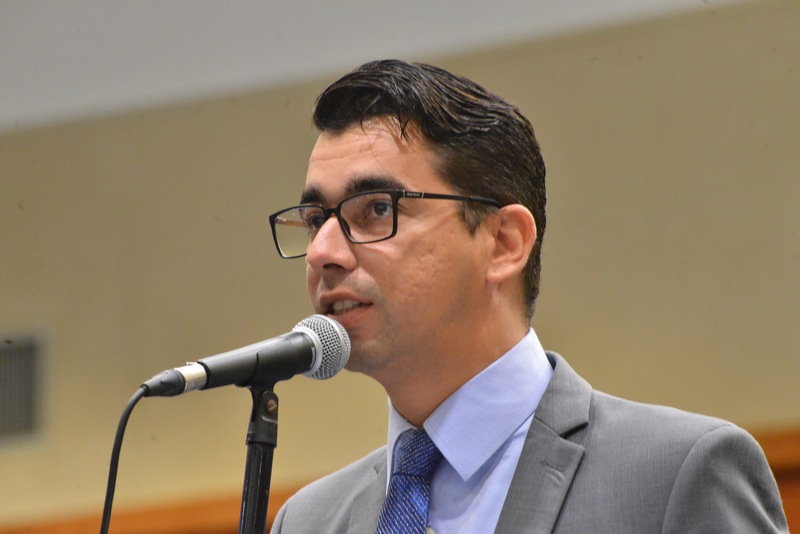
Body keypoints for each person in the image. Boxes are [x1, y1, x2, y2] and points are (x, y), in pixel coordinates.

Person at [267, 59, 787, 533]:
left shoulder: (677, 475)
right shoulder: (308, 522)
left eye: (377, 209)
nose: (322, 253)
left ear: (504, 243)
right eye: (315, 220)